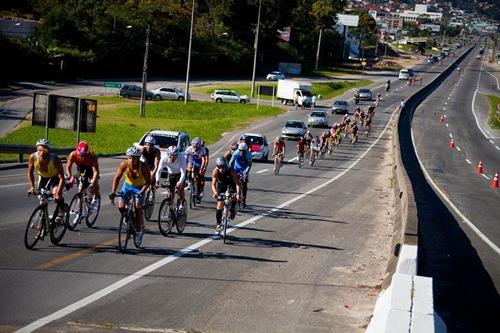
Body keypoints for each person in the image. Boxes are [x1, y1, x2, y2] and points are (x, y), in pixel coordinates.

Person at [110, 147, 151, 246]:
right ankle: (128, 217)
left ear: (138, 158)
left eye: (134, 158)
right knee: (121, 206)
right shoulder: (124, 164)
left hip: (140, 187)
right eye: (130, 158)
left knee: (138, 208)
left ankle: (139, 231)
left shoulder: (143, 166)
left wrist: (141, 192)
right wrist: (113, 192)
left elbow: (148, 182)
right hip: (127, 186)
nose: (132, 160)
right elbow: (117, 178)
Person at [27, 139, 66, 223]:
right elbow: (30, 172)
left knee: (56, 195)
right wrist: (32, 187)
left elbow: (62, 178)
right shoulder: (33, 157)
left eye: (44, 150)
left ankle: (62, 209)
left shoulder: (55, 159)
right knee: (42, 199)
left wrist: (58, 193)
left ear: (48, 150)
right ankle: (44, 224)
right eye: (39, 150)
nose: (41, 153)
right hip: (43, 177)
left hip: (55, 177)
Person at [66, 141, 101, 210]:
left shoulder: (92, 156)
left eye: (84, 155)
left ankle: (96, 198)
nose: (82, 157)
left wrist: (94, 180)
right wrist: (69, 176)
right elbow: (68, 167)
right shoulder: (73, 154)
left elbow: (96, 171)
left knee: (94, 182)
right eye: (80, 155)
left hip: (90, 169)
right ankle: (79, 209)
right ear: (77, 150)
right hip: (81, 168)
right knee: (80, 189)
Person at [211, 157, 241, 234]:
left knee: (234, 197)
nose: (221, 169)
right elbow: (213, 184)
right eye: (219, 167)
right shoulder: (215, 171)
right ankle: (218, 224)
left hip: (231, 184)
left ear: (226, 165)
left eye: (222, 167)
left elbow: (237, 183)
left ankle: (233, 208)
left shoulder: (231, 170)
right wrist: (215, 193)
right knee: (219, 205)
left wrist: (237, 194)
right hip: (222, 185)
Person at [156, 145, 186, 210]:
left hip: (179, 174)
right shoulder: (164, 158)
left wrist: (180, 182)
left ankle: (182, 202)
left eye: (174, 156)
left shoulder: (181, 158)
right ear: (168, 155)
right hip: (170, 174)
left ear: (177, 155)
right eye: (170, 156)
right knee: (169, 190)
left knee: (180, 188)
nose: (172, 158)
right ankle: (171, 205)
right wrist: (157, 181)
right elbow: (159, 170)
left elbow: (183, 172)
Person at [184, 137, 208, 202]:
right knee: (189, 168)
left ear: (199, 146)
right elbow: (185, 158)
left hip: (199, 162)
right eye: (194, 146)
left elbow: (203, 161)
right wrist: (185, 166)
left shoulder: (202, 149)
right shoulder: (189, 149)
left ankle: (199, 190)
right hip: (191, 160)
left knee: (199, 178)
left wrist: (202, 168)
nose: (195, 148)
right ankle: (189, 182)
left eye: (197, 147)